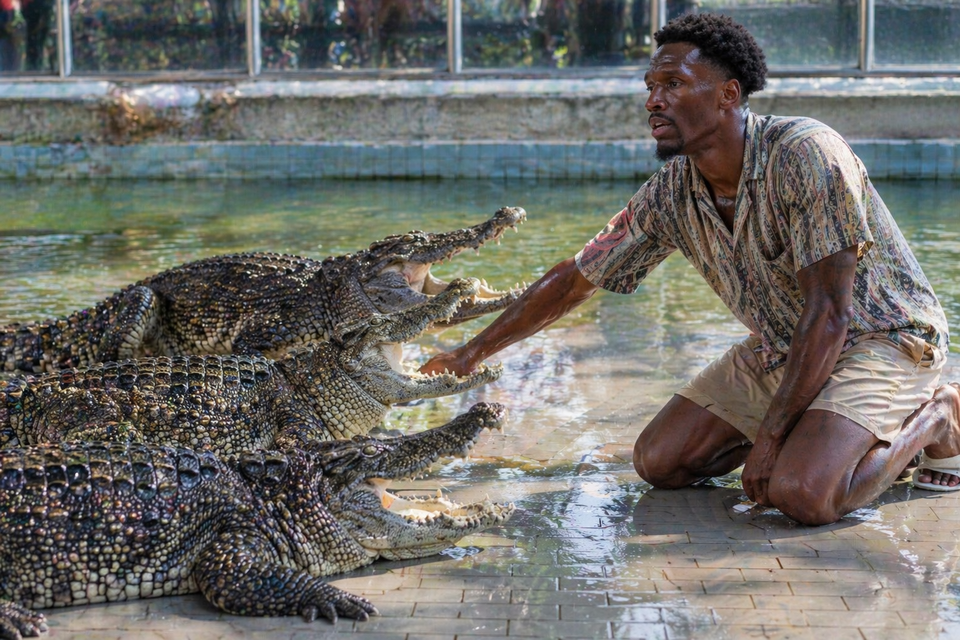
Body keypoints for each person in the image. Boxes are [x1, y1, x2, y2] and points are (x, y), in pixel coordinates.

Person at [420, 12, 958, 526]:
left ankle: (936, 417)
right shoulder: (672, 190)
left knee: (802, 495)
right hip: (785, 345)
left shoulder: (806, 154)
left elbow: (831, 316)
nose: (654, 101)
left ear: (728, 94)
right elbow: (575, 279)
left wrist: (771, 438)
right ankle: (832, 438)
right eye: (650, 86)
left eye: (673, 84)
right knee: (659, 462)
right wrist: (470, 354)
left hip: (882, 339)